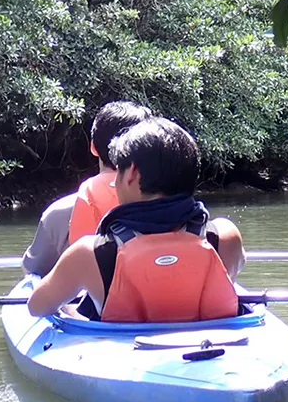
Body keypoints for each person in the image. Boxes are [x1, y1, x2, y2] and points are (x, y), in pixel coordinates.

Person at [27, 117, 245, 322]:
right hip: (210, 350)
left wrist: (77, 307)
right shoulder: (225, 237)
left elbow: (37, 307)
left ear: (132, 173)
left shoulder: (89, 253)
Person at [21, 100, 153, 277]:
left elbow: (34, 272)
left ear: (93, 147)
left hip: (85, 301)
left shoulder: (58, 214)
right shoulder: (177, 213)